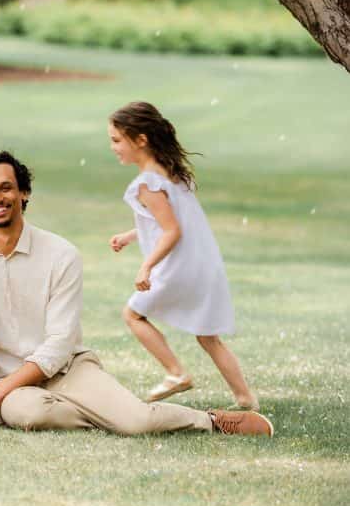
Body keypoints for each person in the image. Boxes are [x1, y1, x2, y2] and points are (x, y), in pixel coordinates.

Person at [0, 150, 273, 436]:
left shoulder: (60, 253)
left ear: (23, 192)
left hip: (68, 369)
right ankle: (108, 415)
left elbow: (59, 343)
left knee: (139, 423)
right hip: (15, 389)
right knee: (29, 414)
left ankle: (209, 420)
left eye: (6, 188)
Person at [109, 101, 259, 409]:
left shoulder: (147, 183)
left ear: (140, 140)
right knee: (208, 336)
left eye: (116, 140)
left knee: (133, 315)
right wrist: (130, 235)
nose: (113, 147)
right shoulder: (172, 174)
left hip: (178, 265)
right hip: (201, 264)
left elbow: (172, 231)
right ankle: (246, 398)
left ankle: (176, 373)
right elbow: (168, 222)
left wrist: (146, 266)